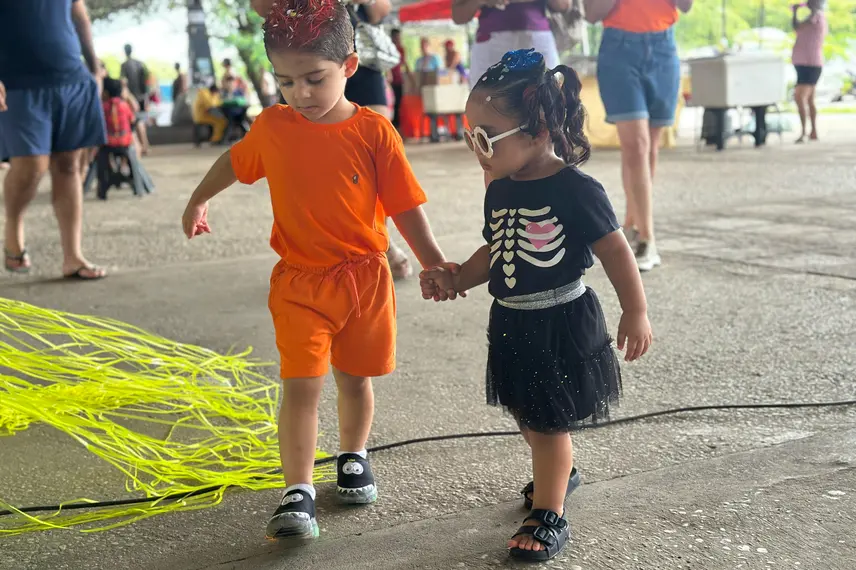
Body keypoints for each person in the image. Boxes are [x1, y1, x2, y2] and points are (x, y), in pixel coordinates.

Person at [181, 0, 452, 542]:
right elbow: (235, 160)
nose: (299, 93)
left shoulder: (375, 132)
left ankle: (354, 455)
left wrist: (434, 263)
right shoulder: (273, 127)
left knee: (354, 379)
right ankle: (297, 490)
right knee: (300, 385)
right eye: (285, 81)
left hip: (363, 282)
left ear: (349, 66)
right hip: (299, 284)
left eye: (314, 79)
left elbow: (405, 207)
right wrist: (198, 198)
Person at [420, 49, 651, 561]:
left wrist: (634, 310)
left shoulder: (576, 189)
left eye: (486, 138)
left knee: (548, 425)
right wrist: (457, 277)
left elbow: (615, 250)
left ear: (538, 130)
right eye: (470, 137)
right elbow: (497, 249)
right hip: (512, 321)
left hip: (560, 321)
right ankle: (558, 473)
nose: (476, 150)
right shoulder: (500, 188)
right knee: (528, 415)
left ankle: (549, 512)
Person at [0, 0, 107, 280]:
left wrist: (94, 67)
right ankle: (13, 228)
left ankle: (73, 256)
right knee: (31, 165)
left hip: (71, 78)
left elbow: (79, 13)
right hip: (17, 83)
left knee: (70, 165)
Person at [587, 0, 692, 272]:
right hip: (618, 49)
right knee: (637, 145)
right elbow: (591, 13)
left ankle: (631, 225)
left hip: (663, 46)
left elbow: (687, 5)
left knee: (648, 149)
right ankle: (648, 238)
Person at [452, 0, 568, 90]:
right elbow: (458, 15)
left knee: (548, 100)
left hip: (537, 40)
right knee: (486, 105)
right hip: (492, 44)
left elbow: (564, 4)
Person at [792, 0, 827, 143]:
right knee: (810, 99)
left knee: (800, 97)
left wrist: (802, 8)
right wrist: (795, 12)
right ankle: (812, 131)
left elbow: (803, 23)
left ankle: (804, 131)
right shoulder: (810, 19)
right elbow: (796, 27)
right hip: (803, 62)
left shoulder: (817, 17)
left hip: (810, 63)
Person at [120, 43, 151, 154]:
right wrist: (146, 98)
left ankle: (142, 146)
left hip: (131, 98)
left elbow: (123, 83)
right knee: (141, 121)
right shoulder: (140, 64)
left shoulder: (124, 65)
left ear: (125, 51)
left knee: (136, 122)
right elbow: (147, 83)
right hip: (142, 97)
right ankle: (145, 145)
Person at [388, 28, 409, 129]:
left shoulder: (401, 49)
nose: (398, 39)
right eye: (396, 37)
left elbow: (404, 63)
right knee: (391, 102)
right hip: (389, 81)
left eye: (399, 37)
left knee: (399, 103)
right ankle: (392, 124)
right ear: (392, 38)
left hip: (399, 80)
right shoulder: (388, 49)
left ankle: (397, 126)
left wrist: (411, 77)